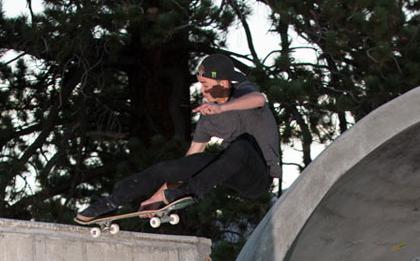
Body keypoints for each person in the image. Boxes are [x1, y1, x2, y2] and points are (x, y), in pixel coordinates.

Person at [76, 53, 281, 223]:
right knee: (169, 168)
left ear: (224, 83)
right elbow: (190, 159)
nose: (202, 90)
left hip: (259, 176)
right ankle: (111, 202)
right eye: (200, 85)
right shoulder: (207, 117)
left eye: (206, 85)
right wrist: (157, 197)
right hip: (230, 169)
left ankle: (190, 192)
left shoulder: (244, 92)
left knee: (242, 147)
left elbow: (258, 99)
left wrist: (222, 108)